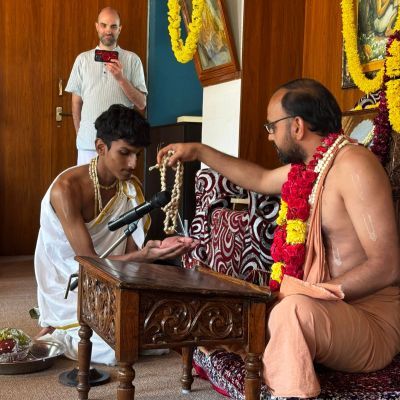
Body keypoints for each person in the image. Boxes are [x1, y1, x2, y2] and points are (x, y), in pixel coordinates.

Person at [157, 78, 400, 399]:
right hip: (321, 308)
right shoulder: (310, 169)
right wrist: (198, 150)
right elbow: (258, 178)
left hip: (369, 318)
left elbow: (387, 266)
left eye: (272, 126)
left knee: (291, 311)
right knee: (242, 302)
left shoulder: (354, 166)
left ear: (297, 126)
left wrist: (310, 292)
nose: (269, 135)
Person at [34, 104, 196, 365]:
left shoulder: (131, 189)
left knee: (159, 330)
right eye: (124, 153)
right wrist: (145, 255)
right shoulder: (66, 190)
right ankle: (60, 332)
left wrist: (157, 250)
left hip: (113, 278)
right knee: (116, 348)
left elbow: (131, 261)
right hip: (70, 282)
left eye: (137, 155)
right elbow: (89, 264)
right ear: (100, 147)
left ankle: (76, 328)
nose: (133, 164)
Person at [65, 6, 147, 165]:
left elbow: (142, 103)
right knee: (86, 182)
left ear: (119, 29)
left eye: (113, 26)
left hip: (120, 145)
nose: (108, 30)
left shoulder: (133, 60)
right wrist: (81, 134)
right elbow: (76, 103)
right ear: (97, 26)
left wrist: (121, 78)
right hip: (88, 144)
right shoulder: (82, 60)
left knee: (118, 183)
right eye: (104, 25)